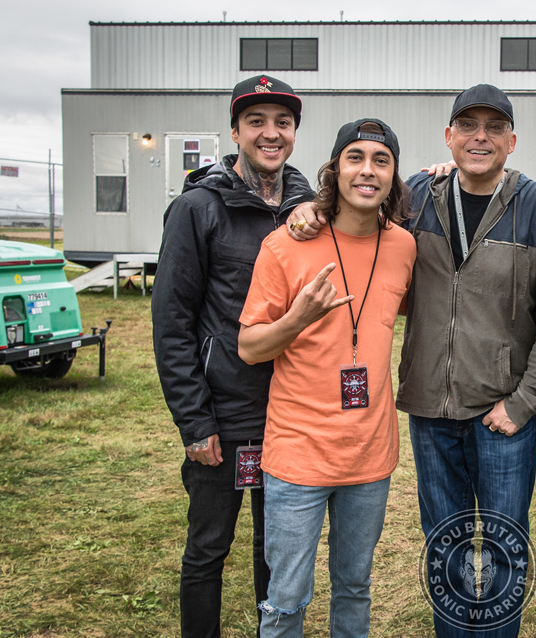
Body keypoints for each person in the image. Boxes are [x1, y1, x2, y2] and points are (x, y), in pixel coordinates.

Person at [285, 83, 536, 637]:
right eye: (467, 125)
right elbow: (352, 204)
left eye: (494, 127)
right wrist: (304, 208)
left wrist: (523, 404)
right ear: (448, 136)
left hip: (501, 414)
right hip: (429, 409)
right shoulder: (417, 195)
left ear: (512, 141)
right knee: (444, 544)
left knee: (502, 548)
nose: (480, 137)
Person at [237, 118, 416, 638]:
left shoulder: (404, 246)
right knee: (286, 600)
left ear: (393, 176)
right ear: (335, 170)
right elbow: (249, 347)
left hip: (370, 456)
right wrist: (297, 319)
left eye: (381, 161)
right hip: (299, 456)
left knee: (354, 587)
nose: (368, 170)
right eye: (354, 158)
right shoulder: (284, 246)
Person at [152, 74, 314, 638]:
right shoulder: (198, 208)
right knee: (208, 549)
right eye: (256, 122)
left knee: (278, 552)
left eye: (282, 123)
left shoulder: (308, 211)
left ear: (294, 132)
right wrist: (195, 422)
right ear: (235, 131)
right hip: (222, 416)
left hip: (290, 417)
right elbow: (172, 323)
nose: (271, 133)